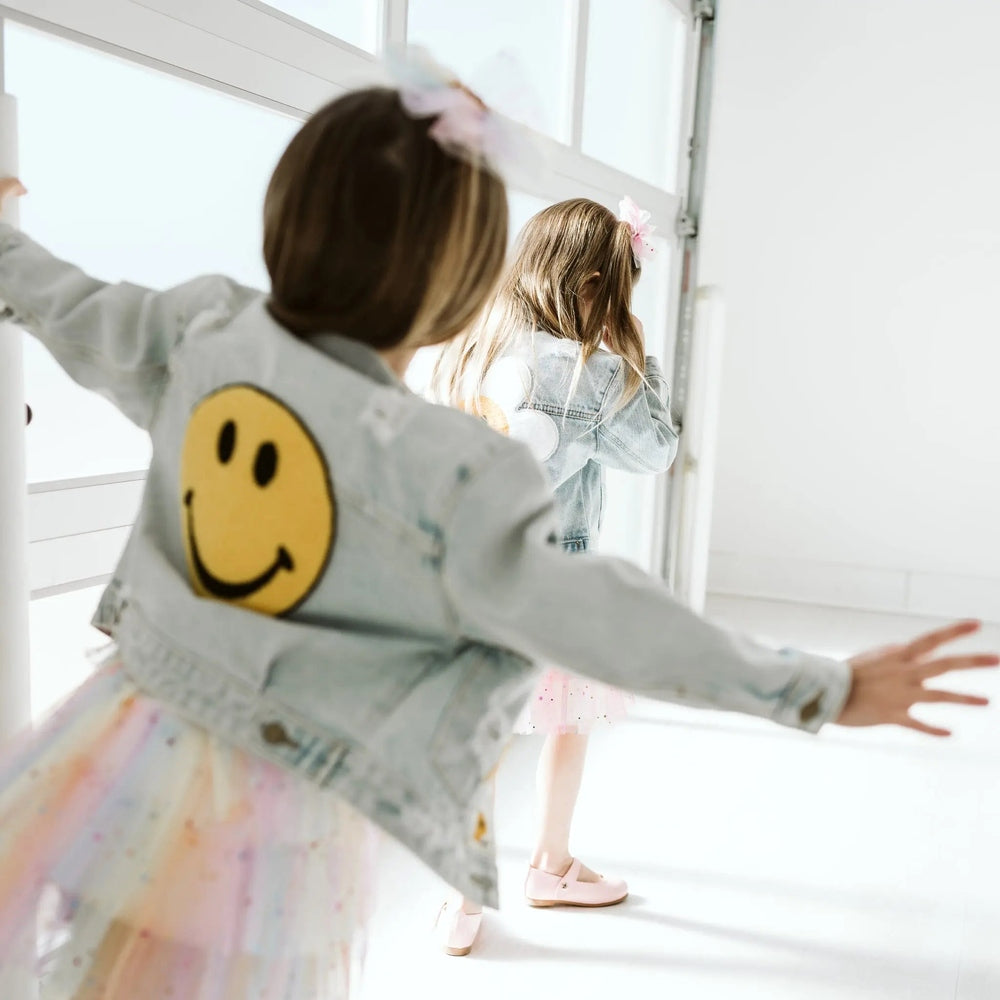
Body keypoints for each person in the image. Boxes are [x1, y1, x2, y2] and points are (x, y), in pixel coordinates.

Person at [0, 56, 993, 999]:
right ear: (459, 288)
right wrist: (816, 685)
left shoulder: (201, 329)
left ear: (285, 211)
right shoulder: (445, 469)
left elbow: (65, 301)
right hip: (262, 807)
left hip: (119, 740)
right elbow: (608, 617)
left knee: (97, 964)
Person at [430, 195, 678, 955]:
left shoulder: (470, 347)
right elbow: (656, 452)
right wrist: (638, 358)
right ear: (596, 287)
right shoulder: (593, 371)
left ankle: (457, 901)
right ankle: (552, 865)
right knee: (566, 723)